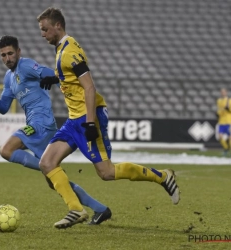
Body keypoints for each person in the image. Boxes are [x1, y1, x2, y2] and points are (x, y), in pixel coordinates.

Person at [37, 7, 180, 229]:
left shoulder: (69, 51)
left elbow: (90, 88)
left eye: (45, 29)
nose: (42, 34)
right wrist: (57, 79)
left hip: (88, 117)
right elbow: (71, 76)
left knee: (106, 172)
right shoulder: (61, 49)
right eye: (41, 30)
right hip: (74, 119)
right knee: (47, 162)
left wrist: (91, 123)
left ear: (58, 25)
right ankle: (76, 209)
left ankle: (162, 176)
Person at [0, 35, 112, 225]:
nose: (7, 58)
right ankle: (101, 209)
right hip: (40, 127)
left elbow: (55, 73)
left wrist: (52, 79)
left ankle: (48, 167)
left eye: (10, 53)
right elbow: (3, 107)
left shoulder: (27, 65)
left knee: (7, 150)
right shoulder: (8, 78)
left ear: (18, 52)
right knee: (55, 182)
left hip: (41, 124)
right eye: (3, 55)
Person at [216, 88, 231, 156]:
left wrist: (228, 109)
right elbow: (219, 111)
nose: (223, 93)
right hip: (221, 122)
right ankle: (226, 149)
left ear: (226, 92)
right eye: (222, 92)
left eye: (224, 92)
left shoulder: (229, 100)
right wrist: (219, 112)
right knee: (220, 137)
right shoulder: (219, 101)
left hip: (229, 121)